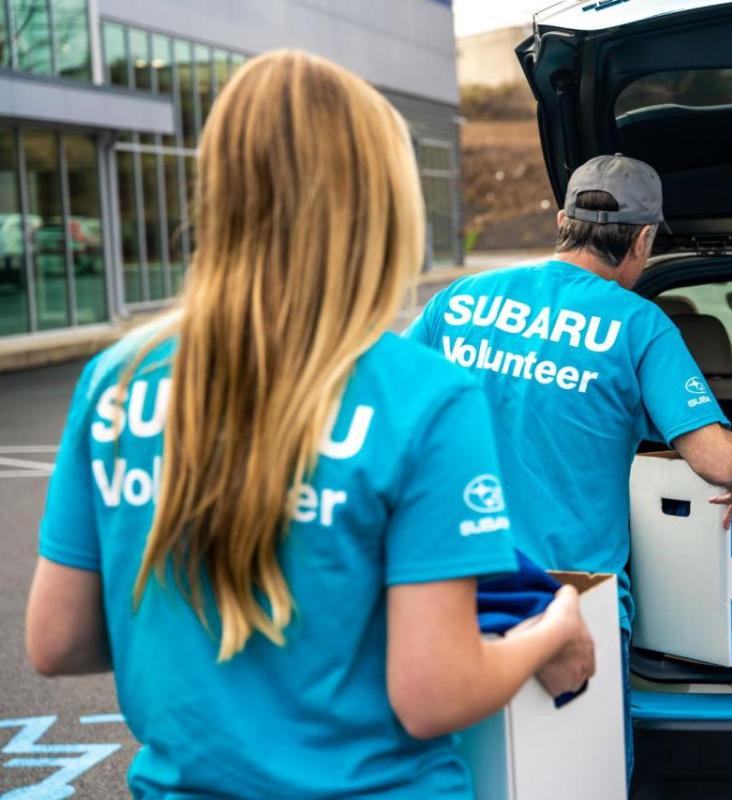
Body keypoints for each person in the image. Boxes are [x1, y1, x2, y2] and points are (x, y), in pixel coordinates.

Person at [24, 50, 593, 799]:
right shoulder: (424, 397)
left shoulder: (118, 380)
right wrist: (556, 631)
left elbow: (58, 641)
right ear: (381, 204)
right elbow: (436, 694)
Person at [406, 154, 732, 779]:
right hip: (571, 603)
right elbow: (712, 457)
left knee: (472, 776)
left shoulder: (461, 300)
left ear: (563, 219)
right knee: (574, 780)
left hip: (452, 587)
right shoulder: (639, 325)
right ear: (644, 239)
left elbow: (394, 413)